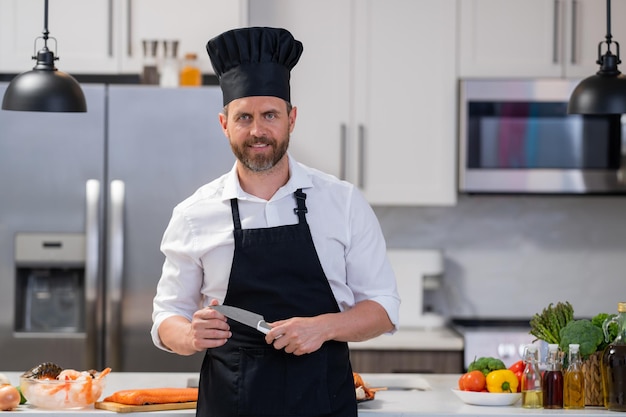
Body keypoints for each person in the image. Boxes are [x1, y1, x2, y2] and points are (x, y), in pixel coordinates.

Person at [151, 27, 400, 417]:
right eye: (244, 117)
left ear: (291, 119)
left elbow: (383, 308)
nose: (257, 131)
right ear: (224, 123)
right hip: (230, 405)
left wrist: (323, 328)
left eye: (270, 115)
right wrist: (189, 334)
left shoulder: (342, 202)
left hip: (323, 402)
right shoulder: (194, 214)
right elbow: (167, 315)